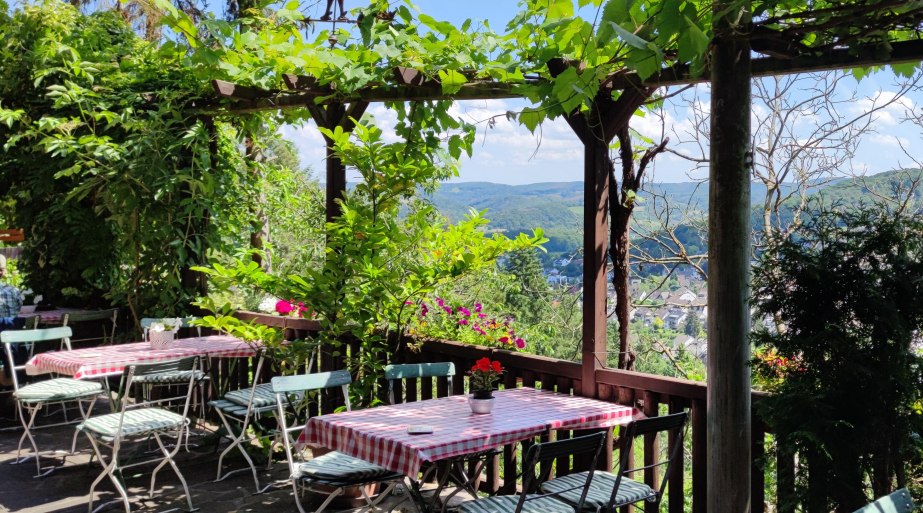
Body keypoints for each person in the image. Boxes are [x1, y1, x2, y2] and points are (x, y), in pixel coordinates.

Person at [0, 255, 25, 386]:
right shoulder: (14, 291)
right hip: (14, 341)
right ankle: (15, 381)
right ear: (3, 272)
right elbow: (18, 310)